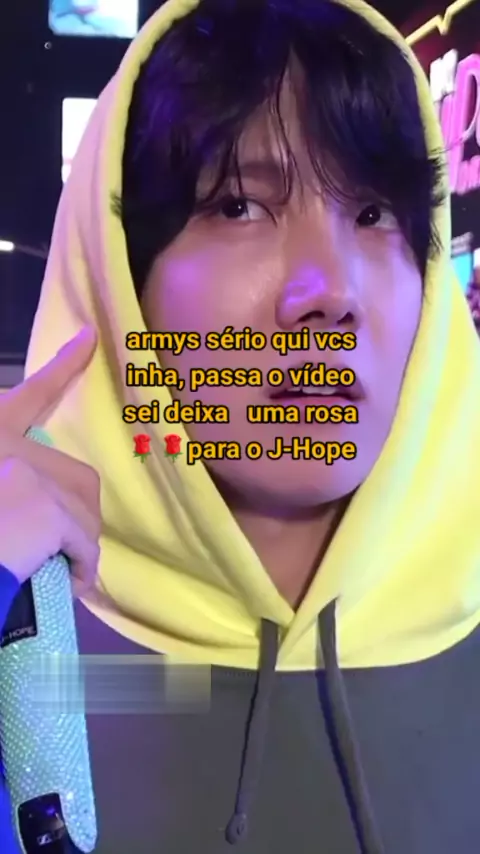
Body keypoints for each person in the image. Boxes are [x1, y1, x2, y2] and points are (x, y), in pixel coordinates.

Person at [2, 0, 480, 851]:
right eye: (238, 206)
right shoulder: (39, 649)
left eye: (374, 214)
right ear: (121, 279)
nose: (329, 293)